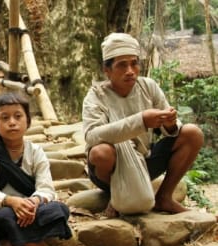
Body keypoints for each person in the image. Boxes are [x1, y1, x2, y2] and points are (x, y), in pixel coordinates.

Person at [82, 32, 204, 216]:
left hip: (145, 161)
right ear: (107, 70)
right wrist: (141, 121)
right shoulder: (96, 96)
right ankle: (117, 196)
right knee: (101, 153)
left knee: (192, 133)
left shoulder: (148, 87)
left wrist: (170, 124)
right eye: (122, 65)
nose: (130, 70)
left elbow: (171, 129)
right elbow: (92, 136)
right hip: (110, 168)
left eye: (134, 63)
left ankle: (164, 197)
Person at [0, 92, 72, 246]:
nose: (12, 122)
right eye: (4, 118)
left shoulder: (36, 152)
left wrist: (33, 202)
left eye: (18, 116)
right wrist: (12, 201)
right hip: (0, 212)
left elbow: (46, 188)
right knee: (6, 217)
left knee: (59, 209)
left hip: (31, 209)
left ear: (28, 121)